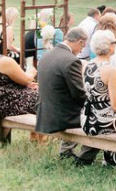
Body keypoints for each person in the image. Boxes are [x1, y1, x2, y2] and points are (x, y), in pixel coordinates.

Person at [35, 27, 99, 163]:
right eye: (82, 46)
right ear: (79, 41)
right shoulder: (71, 61)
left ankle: (66, 151)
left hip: (45, 112)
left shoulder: (47, 55)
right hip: (62, 116)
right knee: (101, 120)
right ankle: (85, 158)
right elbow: (79, 94)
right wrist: (96, 106)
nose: (81, 51)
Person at [81, 30, 116, 173]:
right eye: (115, 42)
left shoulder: (87, 65)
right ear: (109, 46)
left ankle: (111, 158)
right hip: (102, 121)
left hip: (88, 118)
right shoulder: (110, 70)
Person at [0, 28, 39, 123]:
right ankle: (43, 134)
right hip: (7, 103)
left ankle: (38, 135)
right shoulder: (3, 61)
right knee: (45, 96)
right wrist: (32, 72)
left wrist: (26, 85)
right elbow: (26, 79)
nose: (0, 40)